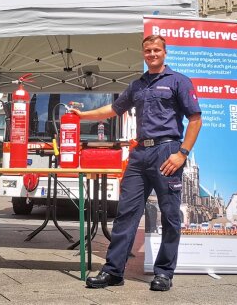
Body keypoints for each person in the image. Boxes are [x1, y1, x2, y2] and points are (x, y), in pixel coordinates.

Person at [76, 35, 202, 291]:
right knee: (125, 214)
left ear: (165, 53)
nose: (152, 54)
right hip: (139, 154)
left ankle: (164, 273)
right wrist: (83, 115)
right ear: (143, 54)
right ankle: (113, 272)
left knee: (169, 215)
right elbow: (113, 109)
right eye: (148, 50)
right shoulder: (137, 85)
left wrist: (182, 154)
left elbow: (196, 119)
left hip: (167, 151)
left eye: (156, 50)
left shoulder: (179, 81)